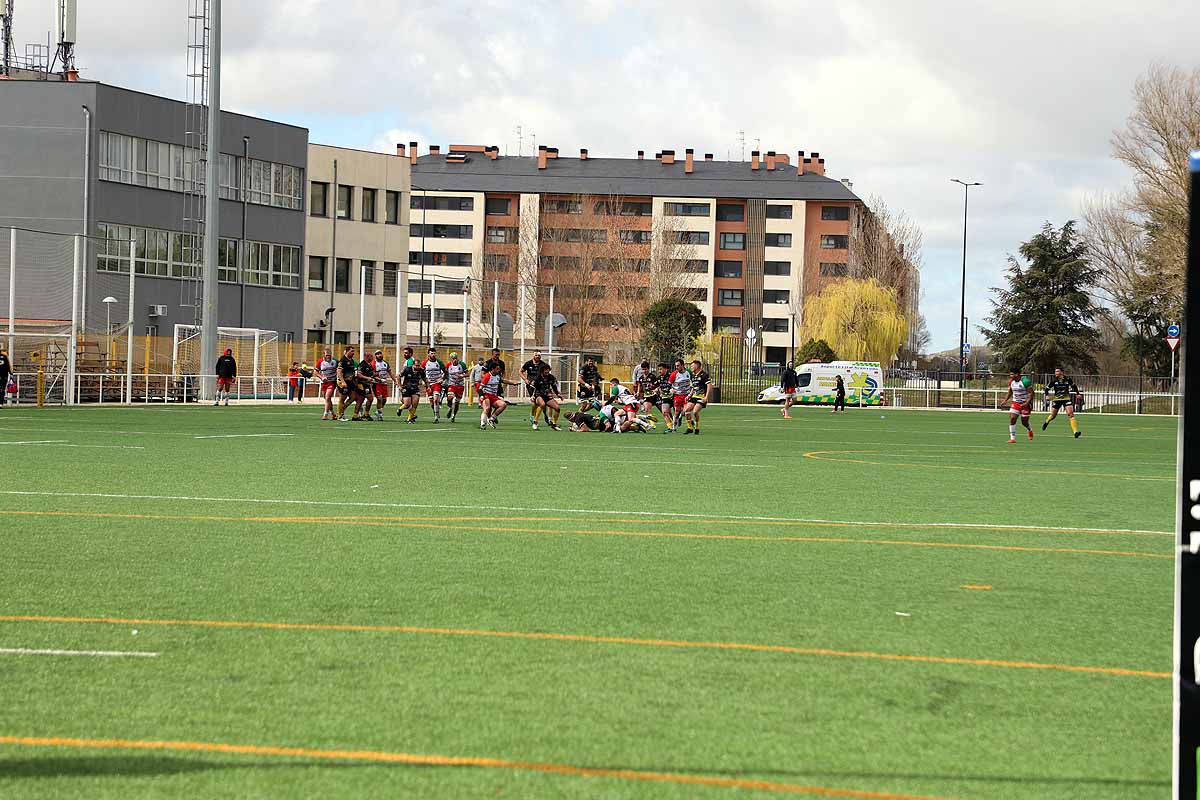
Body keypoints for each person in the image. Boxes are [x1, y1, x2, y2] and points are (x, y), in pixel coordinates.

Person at [1042, 367, 1082, 439]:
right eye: (1055, 371)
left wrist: (1078, 394)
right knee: (1053, 416)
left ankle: (1075, 432)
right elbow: (1046, 389)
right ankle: (1047, 421)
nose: (1056, 373)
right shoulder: (1054, 381)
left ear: (1062, 372)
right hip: (1057, 400)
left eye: (1057, 371)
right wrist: (1047, 395)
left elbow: (1074, 386)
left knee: (1071, 414)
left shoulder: (1068, 379)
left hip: (1066, 399)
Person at [477, 362, 519, 429]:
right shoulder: (487, 376)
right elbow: (480, 388)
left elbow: (503, 381)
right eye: (497, 369)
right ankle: (483, 424)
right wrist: (481, 396)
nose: (498, 370)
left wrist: (513, 383)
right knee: (487, 408)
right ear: (492, 369)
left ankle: (491, 419)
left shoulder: (497, 376)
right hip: (486, 395)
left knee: (503, 405)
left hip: (493, 396)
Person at [1004, 368, 1035, 443]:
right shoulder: (1011, 382)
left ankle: (1030, 430)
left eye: (1011, 374)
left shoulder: (1025, 381)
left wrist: (1027, 403)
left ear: (1017, 374)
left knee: (1024, 422)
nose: (1010, 376)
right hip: (1015, 403)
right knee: (1012, 418)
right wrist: (1005, 400)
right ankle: (1012, 438)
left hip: (1025, 404)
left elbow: (1032, 393)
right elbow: (1010, 391)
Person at [682, 359, 712, 435]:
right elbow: (693, 387)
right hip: (694, 396)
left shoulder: (704, 375)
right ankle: (689, 428)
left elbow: (709, 386)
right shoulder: (693, 376)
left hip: (701, 397)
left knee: (695, 412)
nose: (691, 367)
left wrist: (706, 397)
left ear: (697, 366)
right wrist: (689, 395)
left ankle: (697, 428)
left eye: (692, 366)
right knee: (687, 410)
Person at [531, 363, 563, 430]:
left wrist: (558, 394)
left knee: (557, 408)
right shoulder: (537, 378)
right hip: (538, 395)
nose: (547, 372)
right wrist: (532, 396)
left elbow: (554, 386)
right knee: (542, 404)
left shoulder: (551, 377)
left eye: (548, 370)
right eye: (545, 370)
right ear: (542, 371)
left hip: (547, 396)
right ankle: (535, 422)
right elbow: (533, 388)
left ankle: (554, 424)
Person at [421, 347, 448, 423]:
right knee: (432, 403)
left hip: (437, 383)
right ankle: (436, 411)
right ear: (428, 354)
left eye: (434, 353)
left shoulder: (439, 362)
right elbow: (421, 373)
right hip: (428, 384)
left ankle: (436, 417)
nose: (433, 355)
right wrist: (423, 381)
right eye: (431, 353)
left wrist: (442, 379)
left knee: (436, 399)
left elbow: (446, 372)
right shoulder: (424, 363)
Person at [521, 351, 547, 425]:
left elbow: (547, 373)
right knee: (535, 401)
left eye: (539, 355)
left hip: (540, 385)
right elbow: (520, 371)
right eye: (536, 355)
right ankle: (533, 416)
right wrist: (525, 379)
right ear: (533, 356)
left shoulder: (543, 364)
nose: (538, 356)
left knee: (540, 402)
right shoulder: (528, 363)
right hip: (531, 386)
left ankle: (538, 416)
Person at [397, 356, 425, 423]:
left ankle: (409, 419)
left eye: (419, 365)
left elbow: (425, 379)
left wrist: (427, 386)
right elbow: (398, 376)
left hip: (415, 389)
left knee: (415, 404)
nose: (418, 367)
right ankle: (400, 409)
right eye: (416, 366)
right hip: (407, 388)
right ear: (413, 365)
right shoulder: (407, 369)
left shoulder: (421, 370)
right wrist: (400, 386)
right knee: (407, 404)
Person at [668, 359, 692, 433]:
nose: (676, 367)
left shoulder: (689, 372)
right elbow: (669, 385)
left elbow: (693, 382)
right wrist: (671, 390)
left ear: (682, 365)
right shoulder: (674, 374)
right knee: (677, 412)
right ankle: (674, 428)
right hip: (677, 396)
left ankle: (687, 424)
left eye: (678, 365)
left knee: (685, 411)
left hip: (687, 395)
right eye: (676, 366)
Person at [444, 352, 468, 422]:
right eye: (453, 359)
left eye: (456, 358)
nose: (455, 360)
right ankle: (450, 408)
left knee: (457, 402)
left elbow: (467, 374)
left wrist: (462, 375)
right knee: (450, 398)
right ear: (451, 359)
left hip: (460, 385)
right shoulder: (448, 365)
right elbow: (445, 373)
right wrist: (443, 379)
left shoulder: (462, 364)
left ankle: (453, 415)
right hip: (452, 384)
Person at [316, 348, 338, 420]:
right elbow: (315, 372)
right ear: (324, 355)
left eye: (329, 355)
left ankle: (325, 414)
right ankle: (333, 413)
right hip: (324, 383)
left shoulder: (335, 361)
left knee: (328, 397)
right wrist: (322, 377)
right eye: (327, 355)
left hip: (332, 382)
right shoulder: (320, 362)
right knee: (326, 399)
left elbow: (341, 369)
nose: (328, 357)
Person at [371, 349, 392, 421]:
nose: (380, 355)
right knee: (379, 398)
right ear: (375, 356)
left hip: (384, 383)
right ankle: (379, 413)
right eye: (378, 354)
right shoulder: (373, 363)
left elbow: (390, 372)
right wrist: (379, 379)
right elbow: (372, 374)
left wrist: (395, 380)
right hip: (376, 384)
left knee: (384, 399)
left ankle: (379, 410)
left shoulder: (385, 363)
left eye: (380, 354)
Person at [356, 351, 378, 420]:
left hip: (367, 384)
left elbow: (370, 374)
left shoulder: (369, 365)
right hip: (361, 384)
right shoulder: (362, 365)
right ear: (366, 357)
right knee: (362, 399)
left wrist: (377, 377)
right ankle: (356, 415)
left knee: (368, 399)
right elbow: (359, 374)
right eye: (370, 356)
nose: (372, 358)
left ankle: (365, 414)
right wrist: (367, 378)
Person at [655, 363, 675, 432]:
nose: (659, 371)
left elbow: (675, 384)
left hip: (674, 397)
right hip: (665, 397)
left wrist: (673, 390)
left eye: (661, 369)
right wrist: (658, 390)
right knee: (664, 412)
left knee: (678, 412)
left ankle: (677, 421)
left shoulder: (671, 377)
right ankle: (670, 427)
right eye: (658, 369)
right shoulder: (658, 378)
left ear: (665, 369)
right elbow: (659, 386)